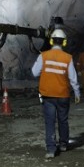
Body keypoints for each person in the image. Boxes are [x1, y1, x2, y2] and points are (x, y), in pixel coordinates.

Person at [31, 29, 80, 158]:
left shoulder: (43, 56)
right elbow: (73, 78)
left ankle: (51, 150)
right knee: (63, 120)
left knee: (50, 122)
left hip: (47, 95)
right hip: (63, 95)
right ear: (64, 42)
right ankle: (63, 144)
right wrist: (77, 93)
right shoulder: (67, 58)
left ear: (51, 41)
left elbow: (34, 73)